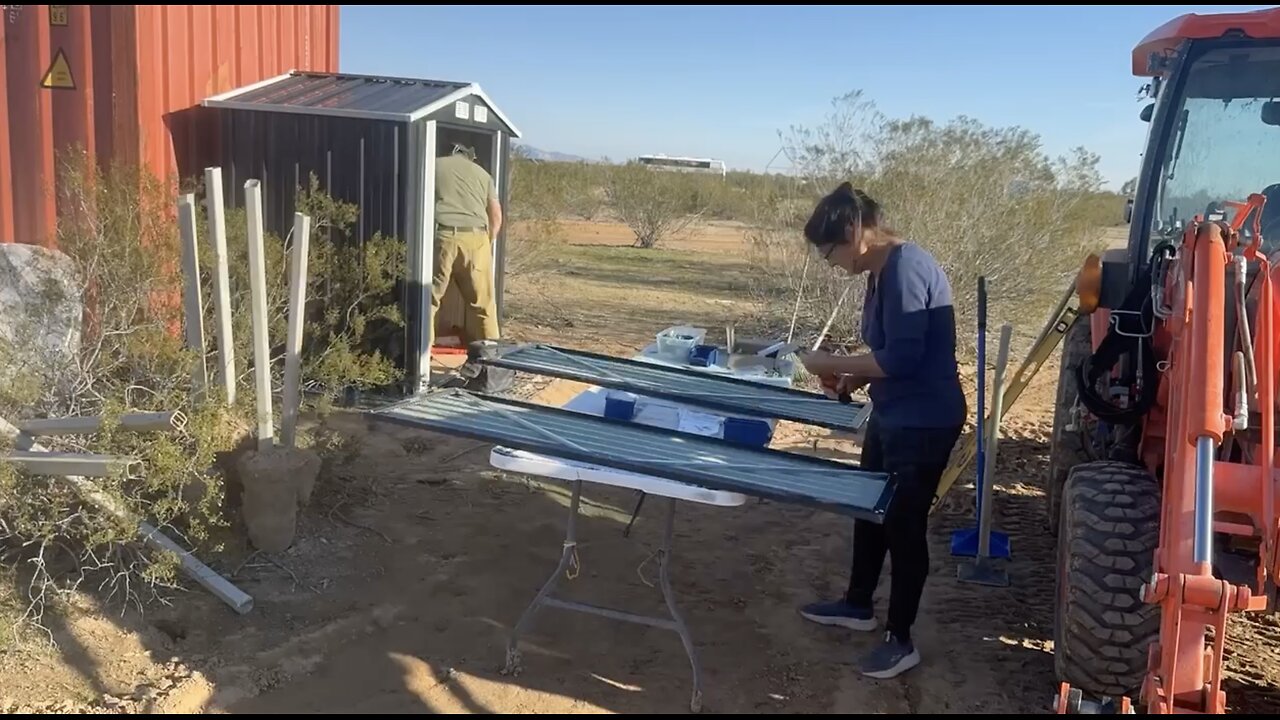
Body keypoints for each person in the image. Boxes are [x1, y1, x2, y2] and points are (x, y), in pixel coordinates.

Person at [794, 182, 967, 681]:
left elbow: (907, 358)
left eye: (828, 250)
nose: (828, 261)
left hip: (925, 418)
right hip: (895, 411)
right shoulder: (877, 273)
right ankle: (857, 604)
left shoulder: (906, 268)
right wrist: (849, 376)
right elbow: (887, 356)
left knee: (903, 525)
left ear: (853, 233)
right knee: (867, 509)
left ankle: (901, 638)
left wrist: (829, 359)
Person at [430, 142, 504, 352]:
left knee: (429, 302)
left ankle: (421, 363)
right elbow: (496, 217)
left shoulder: (433, 166)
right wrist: (484, 244)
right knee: (483, 305)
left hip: (444, 236)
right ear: (469, 156)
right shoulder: (483, 175)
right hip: (477, 238)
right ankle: (492, 363)